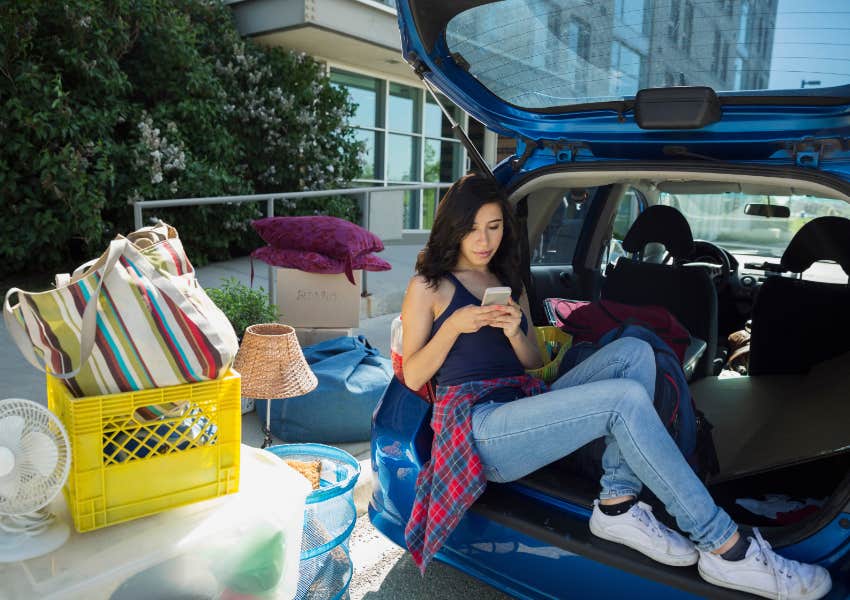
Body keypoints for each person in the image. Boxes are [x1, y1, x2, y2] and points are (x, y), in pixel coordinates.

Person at [400, 172, 831, 600]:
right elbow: (414, 375)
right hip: (479, 430)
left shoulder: (505, 281)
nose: (484, 240)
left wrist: (516, 329)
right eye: (473, 228)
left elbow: (531, 362)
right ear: (453, 227)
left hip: (521, 402)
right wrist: (454, 326)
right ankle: (726, 548)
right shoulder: (429, 286)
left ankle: (617, 502)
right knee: (623, 401)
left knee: (635, 351)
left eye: (494, 227)